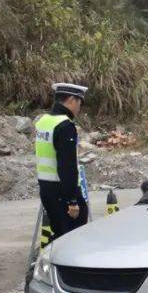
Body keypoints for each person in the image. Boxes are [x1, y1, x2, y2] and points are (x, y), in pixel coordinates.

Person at [35, 83, 89, 238]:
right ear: (71, 100)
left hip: (46, 188)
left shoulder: (43, 122)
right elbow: (67, 166)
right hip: (62, 190)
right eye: (80, 102)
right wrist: (72, 201)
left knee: (59, 232)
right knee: (73, 236)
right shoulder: (65, 126)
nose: (79, 107)